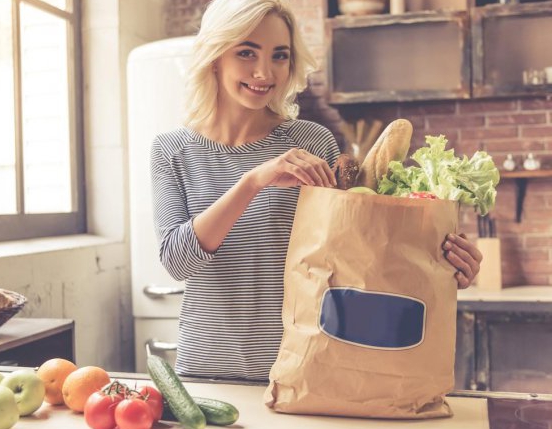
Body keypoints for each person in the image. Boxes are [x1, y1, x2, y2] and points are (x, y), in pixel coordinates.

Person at [150, 0, 482, 381]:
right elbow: (177, 261)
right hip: (206, 371)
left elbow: (356, 257)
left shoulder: (312, 141)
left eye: (280, 56)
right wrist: (253, 180)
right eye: (246, 52)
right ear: (214, 56)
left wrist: (440, 262)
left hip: (304, 371)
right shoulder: (171, 150)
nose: (264, 72)